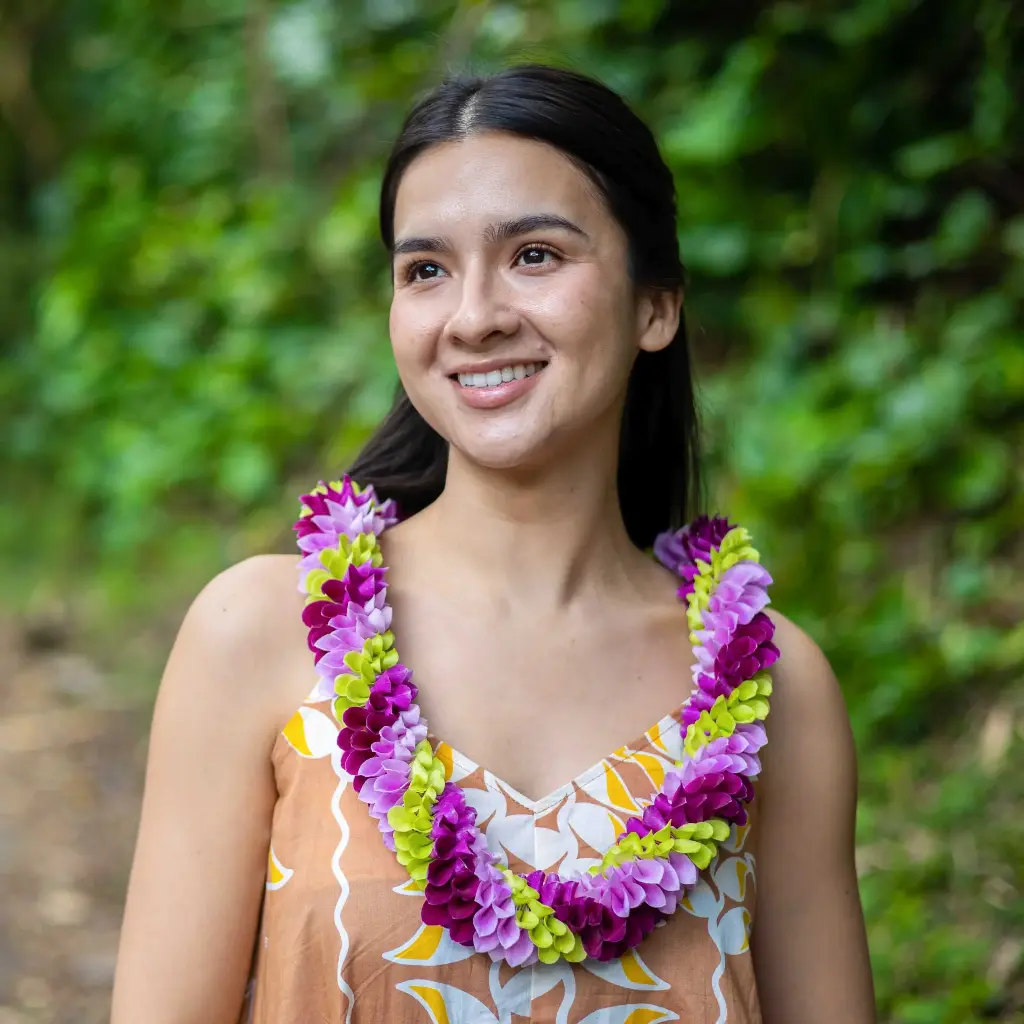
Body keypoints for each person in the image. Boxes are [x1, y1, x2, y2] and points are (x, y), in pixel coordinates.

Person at [111, 63, 876, 1023]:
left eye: (537, 255)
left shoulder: (773, 694)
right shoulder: (264, 635)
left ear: (656, 307)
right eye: (425, 270)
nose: (474, 317)